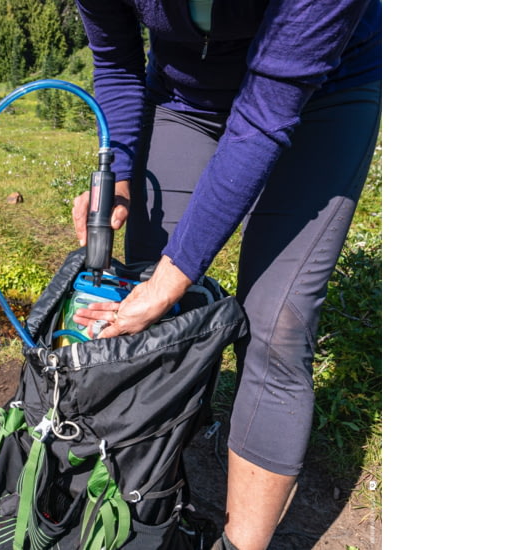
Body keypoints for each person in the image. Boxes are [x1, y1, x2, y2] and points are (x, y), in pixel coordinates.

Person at [68, 0, 381, 548]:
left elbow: (265, 113)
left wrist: (171, 280)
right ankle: (147, 509)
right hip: (187, 98)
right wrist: (119, 170)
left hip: (321, 95)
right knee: (147, 305)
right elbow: (116, 59)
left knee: (276, 324)